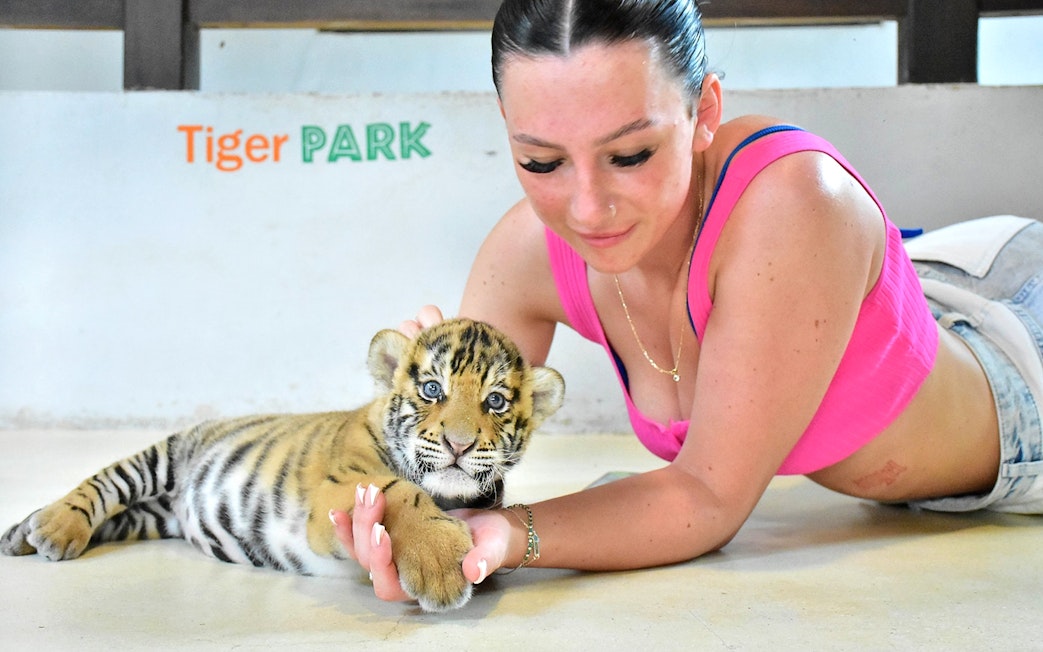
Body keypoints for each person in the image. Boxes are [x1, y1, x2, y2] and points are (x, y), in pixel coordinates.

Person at [330, 0, 1043, 602]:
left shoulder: (794, 202)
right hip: (939, 285)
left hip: (1021, 364)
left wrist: (508, 537)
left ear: (703, 110)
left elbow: (705, 498)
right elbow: (454, 474)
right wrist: (408, 500)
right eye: (541, 161)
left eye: (630, 154)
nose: (586, 208)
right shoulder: (523, 254)